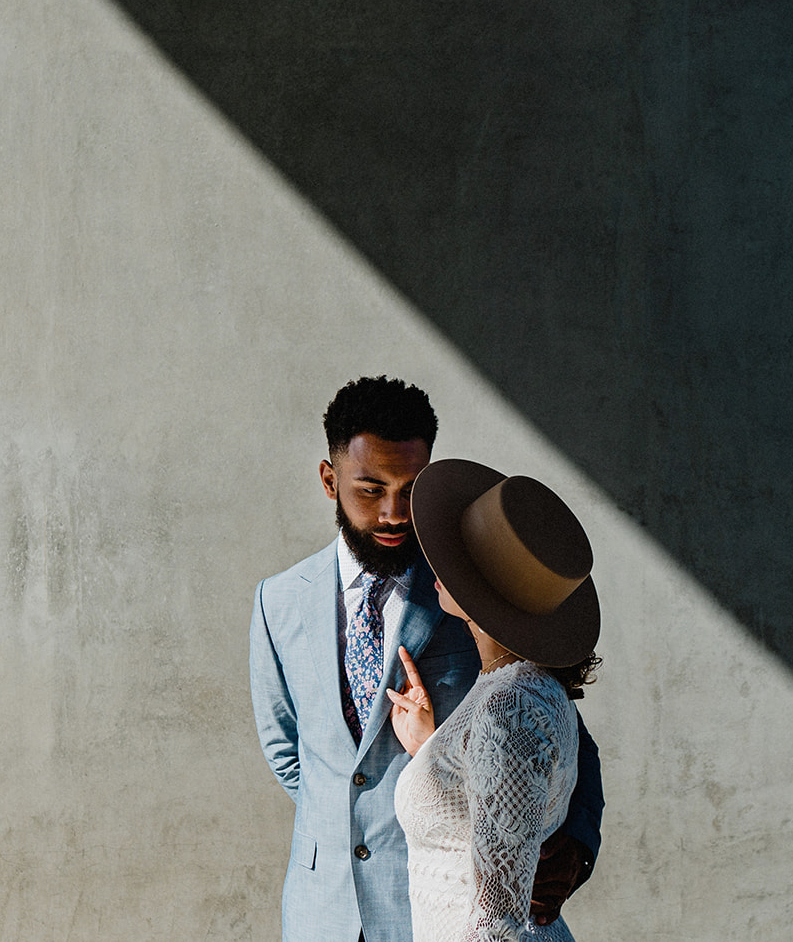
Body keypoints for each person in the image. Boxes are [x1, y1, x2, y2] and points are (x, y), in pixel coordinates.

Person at [250, 377, 603, 942]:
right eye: (370, 490)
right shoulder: (278, 601)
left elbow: (563, 741)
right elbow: (288, 752)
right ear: (328, 479)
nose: (393, 513)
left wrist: (576, 847)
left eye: (409, 490)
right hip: (322, 913)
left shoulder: (475, 592)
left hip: (444, 911)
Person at [385, 458, 602, 942]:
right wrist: (435, 749)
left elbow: (496, 923)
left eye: (457, 558)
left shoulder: (509, 707)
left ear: (488, 594)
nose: (435, 562)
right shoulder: (515, 687)